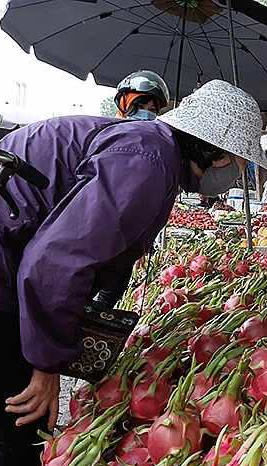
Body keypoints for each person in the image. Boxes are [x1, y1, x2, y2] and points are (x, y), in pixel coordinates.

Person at [0, 79, 267, 466]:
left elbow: (104, 248)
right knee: (23, 426)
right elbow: (54, 262)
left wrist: (94, 310)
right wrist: (46, 366)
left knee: (28, 419)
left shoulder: (155, 154)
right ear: (215, 154)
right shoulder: (147, 161)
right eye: (238, 163)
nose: (237, 174)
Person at [95, 70, 173, 307]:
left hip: (123, 239)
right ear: (124, 102)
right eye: (141, 104)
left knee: (109, 294)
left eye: (153, 109)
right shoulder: (105, 136)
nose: (147, 112)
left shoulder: (153, 145)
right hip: (98, 231)